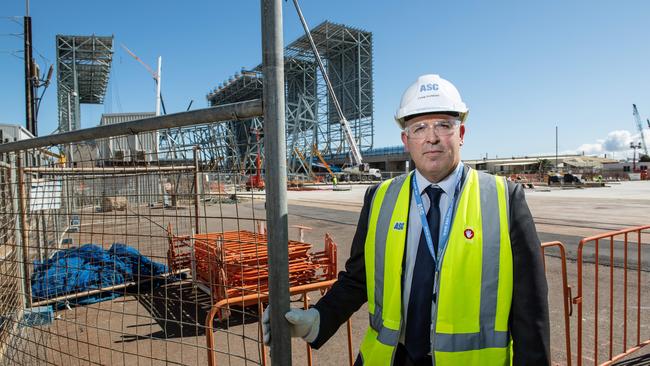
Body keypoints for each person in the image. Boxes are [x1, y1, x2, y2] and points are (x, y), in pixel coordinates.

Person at [263, 74, 550, 365]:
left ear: (461, 133)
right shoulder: (380, 198)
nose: (432, 137)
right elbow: (360, 279)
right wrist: (318, 317)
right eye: (419, 127)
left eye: (443, 125)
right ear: (406, 140)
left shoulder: (503, 198)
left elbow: (530, 306)